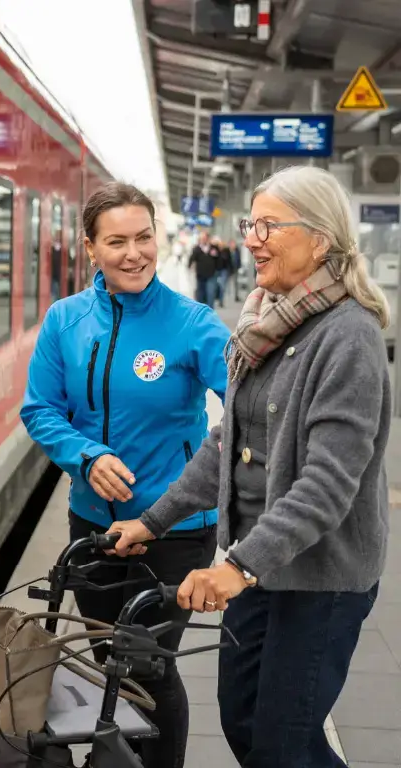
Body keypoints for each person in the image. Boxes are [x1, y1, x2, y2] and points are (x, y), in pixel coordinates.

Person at [106, 165, 391, 767]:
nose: (251, 238)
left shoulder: (348, 338)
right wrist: (153, 522)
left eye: (267, 225)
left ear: (319, 240)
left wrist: (235, 568)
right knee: (242, 721)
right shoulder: (266, 321)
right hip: (263, 568)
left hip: (320, 580)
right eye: (249, 223)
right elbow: (225, 442)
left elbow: (327, 483)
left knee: (282, 745)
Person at [20, 181, 230, 768]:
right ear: (90, 248)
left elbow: (247, 412)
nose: (134, 253)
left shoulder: (194, 323)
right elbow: (39, 408)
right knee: (103, 660)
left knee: (146, 668)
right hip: (94, 526)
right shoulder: (66, 321)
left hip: (174, 531)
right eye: (117, 241)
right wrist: (86, 455)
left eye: (144, 237)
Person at [189, 231, 218, 307]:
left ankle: (210, 311)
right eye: (202, 238)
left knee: (210, 293)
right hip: (200, 275)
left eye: (205, 238)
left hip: (211, 274)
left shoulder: (213, 248)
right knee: (200, 294)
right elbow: (192, 258)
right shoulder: (197, 249)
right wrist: (189, 266)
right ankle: (202, 311)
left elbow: (219, 259)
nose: (203, 240)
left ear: (208, 238)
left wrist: (218, 269)